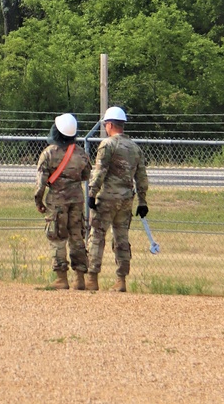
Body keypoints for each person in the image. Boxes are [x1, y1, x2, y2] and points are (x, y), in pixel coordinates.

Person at [86, 105, 149, 292]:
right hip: (126, 200)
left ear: (110, 125)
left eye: (106, 124)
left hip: (106, 199)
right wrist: (143, 201)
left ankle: (92, 278)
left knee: (96, 236)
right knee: (121, 238)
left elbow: (100, 171)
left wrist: (91, 193)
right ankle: (121, 280)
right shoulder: (135, 148)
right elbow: (142, 178)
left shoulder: (108, 145)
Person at [33, 112, 92, 290]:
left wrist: (38, 201)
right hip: (77, 199)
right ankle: (79, 279)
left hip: (56, 200)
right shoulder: (81, 154)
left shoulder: (48, 153)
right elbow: (86, 175)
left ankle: (61, 278)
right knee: (77, 237)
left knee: (57, 237)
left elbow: (41, 182)